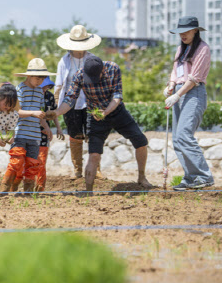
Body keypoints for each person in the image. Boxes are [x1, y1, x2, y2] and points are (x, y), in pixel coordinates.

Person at [51, 55, 153, 192]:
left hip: (117, 112)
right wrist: (57, 112)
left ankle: (141, 177)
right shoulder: (79, 75)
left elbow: (117, 97)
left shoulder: (113, 69)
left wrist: (105, 112)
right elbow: (70, 99)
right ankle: (88, 191)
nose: (92, 82)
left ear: (102, 70)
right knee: (94, 154)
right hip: (94, 116)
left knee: (141, 141)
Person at [164, 16, 214, 190]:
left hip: (193, 93)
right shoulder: (180, 49)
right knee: (177, 139)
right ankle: (191, 177)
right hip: (179, 92)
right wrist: (171, 85)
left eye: (186, 31)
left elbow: (194, 78)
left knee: (184, 135)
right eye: (180, 32)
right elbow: (175, 71)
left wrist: (177, 94)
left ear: (195, 31)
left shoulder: (202, 49)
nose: (182, 35)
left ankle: (203, 176)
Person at [0, 58, 56, 192]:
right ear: (29, 76)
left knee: (32, 164)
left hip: (35, 134)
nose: (40, 81)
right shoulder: (20, 89)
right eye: (38, 78)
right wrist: (33, 113)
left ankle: (29, 192)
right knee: (16, 162)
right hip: (20, 133)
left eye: (43, 78)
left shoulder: (39, 92)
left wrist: (46, 127)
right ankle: (4, 189)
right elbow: (16, 112)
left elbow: (40, 113)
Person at [54, 25, 101, 179]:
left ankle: (96, 169)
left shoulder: (93, 60)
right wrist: (56, 106)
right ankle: (78, 169)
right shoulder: (64, 61)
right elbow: (59, 84)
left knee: (93, 135)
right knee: (75, 135)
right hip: (70, 104)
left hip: (90, 102)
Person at [34, 77, 63, 191]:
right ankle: (27, 184)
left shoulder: (50, 97)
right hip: (31, 131)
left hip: (45, 133)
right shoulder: (32, 96)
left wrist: (58, 128)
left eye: (47, 87)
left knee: (42, 159)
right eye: (43, 87)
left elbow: (54, 114)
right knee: (30, 160)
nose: (45, 89)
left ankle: (40, 186)